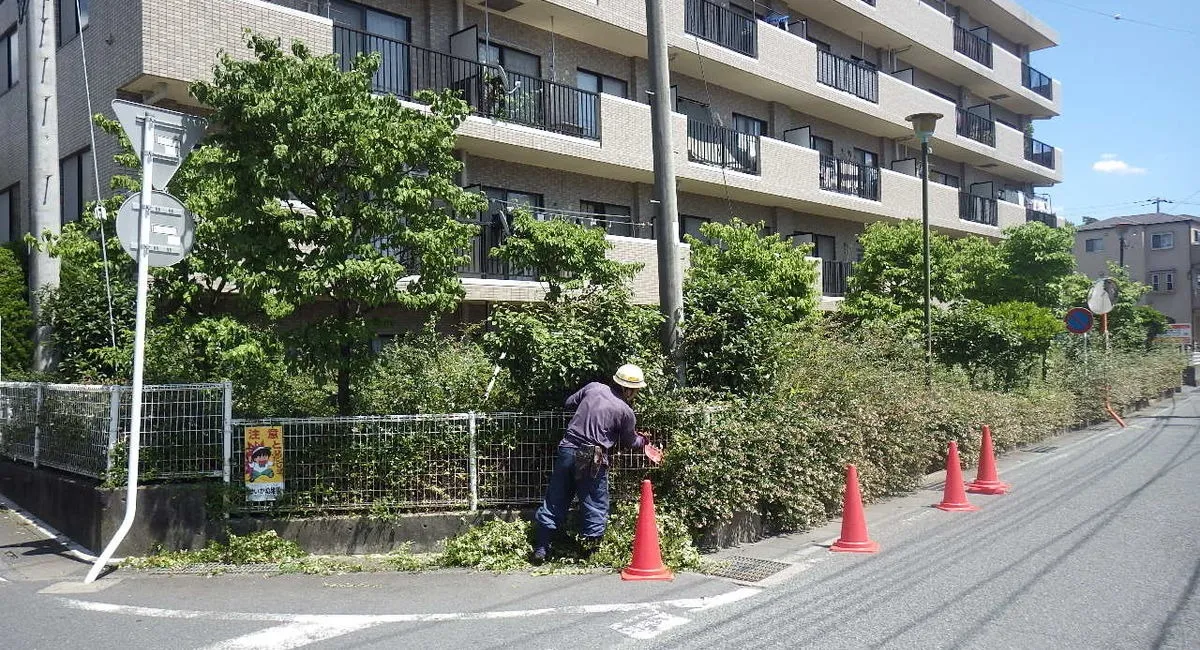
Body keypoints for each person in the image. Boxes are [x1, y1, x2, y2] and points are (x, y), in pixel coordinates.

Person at [532, 364, 650, 563]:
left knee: (555, 498)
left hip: (567, 449)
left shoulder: (593, 387)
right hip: (592, 456)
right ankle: (590, 553)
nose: (636, 393)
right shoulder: (625, 411)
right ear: (629, 389)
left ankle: (541, 549)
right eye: (636, 389)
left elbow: (569, 403)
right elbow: (630, 442)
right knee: (594, 502)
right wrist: (644, 441)